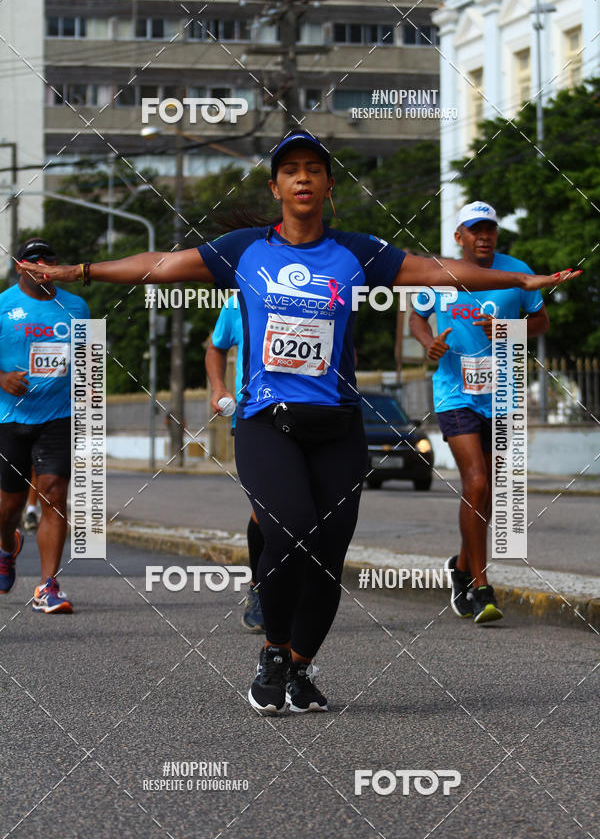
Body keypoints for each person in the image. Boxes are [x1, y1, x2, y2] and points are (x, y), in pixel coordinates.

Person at [20, 134, 578, 711]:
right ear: (277, 187)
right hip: (267, 422)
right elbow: (159, 266)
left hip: (338, 425)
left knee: (329, 555)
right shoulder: (244, 250)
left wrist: (520, 281)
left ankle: (302, 667)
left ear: (328, 186)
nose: (303, 178)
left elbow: (439, 272)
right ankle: (275, 650)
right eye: (291, 171)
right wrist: (79, 268)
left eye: (315, 169)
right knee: (289, 533)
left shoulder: (357, 253)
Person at [410, 201, 551, 624]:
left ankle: (460, 567)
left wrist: (511, 329)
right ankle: (482, 586)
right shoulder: (440, 273)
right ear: (460, 237)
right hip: (456, 393)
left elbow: (541, 322)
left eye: (489, 229)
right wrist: (428, 342)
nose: (484, 236)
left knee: (488, 492)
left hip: (504, 393)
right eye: (475, 230)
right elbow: (416, 318)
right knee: (475, 481)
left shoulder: (516, 272)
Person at [0, 237, 90, 612]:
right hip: (9, 417)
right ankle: (7, 547)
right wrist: (2, 378)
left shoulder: (76, 306)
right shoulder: (3, 306)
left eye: (46, 260)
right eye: (32, 260)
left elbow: (88, 361)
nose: (40, 265)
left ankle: (48, 586)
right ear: (21, 266)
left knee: (54, 494)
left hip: (59, 415)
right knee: (8, 507)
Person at [205, 296, 265, 633]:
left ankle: (296, 588)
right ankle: (260, 588)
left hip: (312, 417)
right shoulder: (239, 299)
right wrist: (218, 387)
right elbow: (216, 347)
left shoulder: (318, 290)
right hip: (254, 419)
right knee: (265, 509)